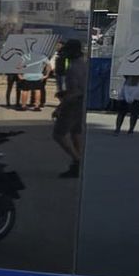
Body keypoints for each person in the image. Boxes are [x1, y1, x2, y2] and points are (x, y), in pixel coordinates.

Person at [52, 38, 86, 178]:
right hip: (82, 102)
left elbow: (74, 92)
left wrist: (59, 107)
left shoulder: (72, 69)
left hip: (73, 104)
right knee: (75, 133)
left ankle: (77, 160)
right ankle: (78, 163)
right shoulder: (84, 64)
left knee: (59, 134)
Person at [18, 46, 48, 111]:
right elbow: (49, 66)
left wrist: (19, 74)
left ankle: (23, 106)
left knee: (25, 90)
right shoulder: (42, 56)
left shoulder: (25, 56)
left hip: (27, 76)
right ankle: (37, 106)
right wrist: (46, 75)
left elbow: (19, 66)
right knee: (37, 90)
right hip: (38, 76)